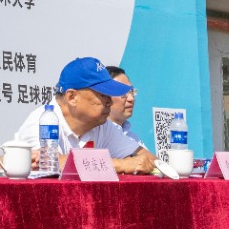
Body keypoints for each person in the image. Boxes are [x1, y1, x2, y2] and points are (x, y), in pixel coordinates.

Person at [10, 58, 149, 172]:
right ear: (72, 97)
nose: (110, 101)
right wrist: (121, 164)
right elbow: (48, 162)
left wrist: (139, 163)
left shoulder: (102, 124)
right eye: (103, 94)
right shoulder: (42, 120)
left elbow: (148, 159)